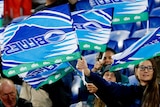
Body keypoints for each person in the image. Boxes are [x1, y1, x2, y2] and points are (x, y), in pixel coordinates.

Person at [76, 57, 160, 107]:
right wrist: (88, 72)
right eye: (142, 67)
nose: (146, 71)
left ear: (154, 71)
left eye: (149, 68)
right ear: (136, 71)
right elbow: (109, 89)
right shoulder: (129, 91)